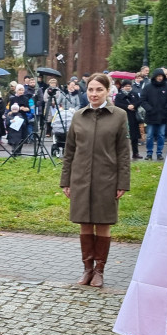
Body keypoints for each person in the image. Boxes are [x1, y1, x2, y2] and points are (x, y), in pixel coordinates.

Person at [60, 73, 130, 288]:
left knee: (103, 224)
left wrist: (122, 182)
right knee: (85, 224)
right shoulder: (78, 116)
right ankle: (87, 269)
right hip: (80, 178)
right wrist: (66, 180)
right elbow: (69, 150)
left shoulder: (119, 116)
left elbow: (123, 152)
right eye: (90, 89)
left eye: (99, 89)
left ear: (108, 91)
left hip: (106, 178)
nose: (94, 93)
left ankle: (99, 271)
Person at [139, 68, 167, 160]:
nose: (160, 78)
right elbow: (142, 100)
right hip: (151, 116)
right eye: (158, 76)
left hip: (163, 115)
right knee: (150, 135)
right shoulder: (148, 87)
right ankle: (149, 153)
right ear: (155, 77)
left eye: (161, 76)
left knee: (161, 135)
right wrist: (149, 109)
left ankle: (159, 153)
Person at [114, 79, 142, 160]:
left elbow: (139, 101)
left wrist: (134, 106)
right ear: (123, 87)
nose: (128, 87)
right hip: (124, 117)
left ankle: (135, 153)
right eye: (126, 86)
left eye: (129, 86)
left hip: (133, 117)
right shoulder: (119, 95)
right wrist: (127, 107)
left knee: (134, 137)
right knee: (123, 136)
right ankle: (122, 154)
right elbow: (117, 104)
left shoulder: (135, 94)